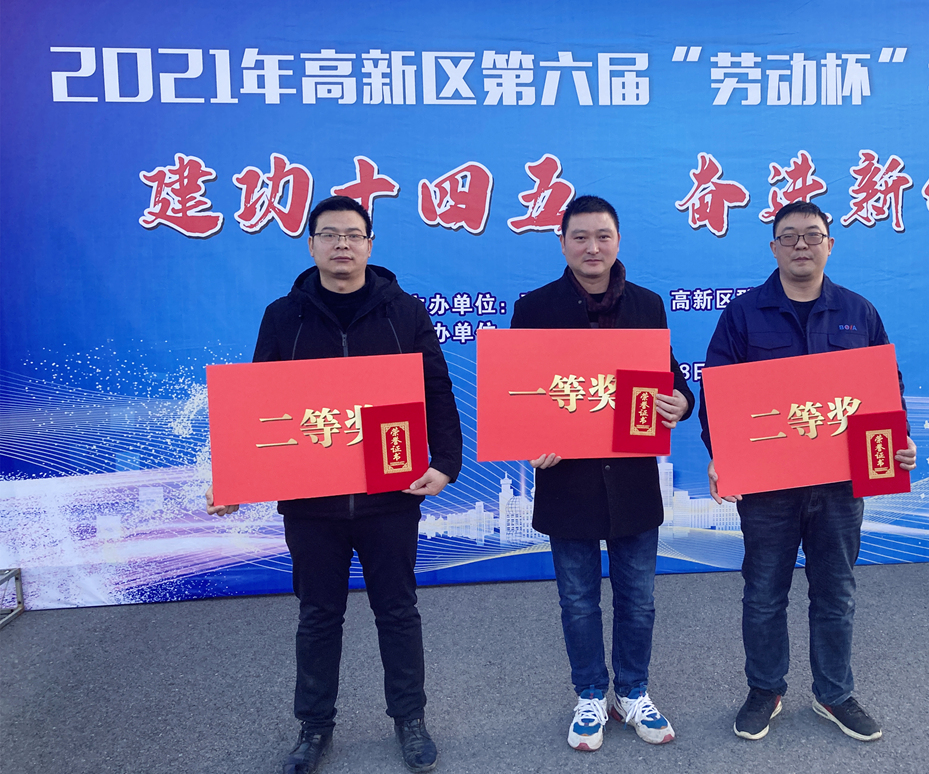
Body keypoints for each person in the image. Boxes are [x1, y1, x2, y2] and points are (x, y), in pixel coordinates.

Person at [205, 195, 462, 774]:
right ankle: (314, 727)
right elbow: (258, 405)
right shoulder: (283, 316)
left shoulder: (405, 313)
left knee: (398, 611)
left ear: (370, 245)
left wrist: (447, 462)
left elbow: (437, 389)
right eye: (329, 234)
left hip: (389, 496)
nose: (341, 244)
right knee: (318, 616)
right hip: (311, 501)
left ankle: (410, 719)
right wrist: (234, 477)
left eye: (352, 234)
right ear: (311, 244)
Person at [699, 200, 916, 744]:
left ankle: (834, 693)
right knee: (763, 594)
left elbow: (886, 387)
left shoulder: (859, 313)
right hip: (769, 486)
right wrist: (722, 453)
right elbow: (717, 393)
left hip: (839, 486)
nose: (801, 244)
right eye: (790, 236)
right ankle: (764, 689)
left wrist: (899, 440)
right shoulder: (743, 315)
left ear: (829, 245)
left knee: (836, 592)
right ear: (773, 247)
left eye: (812, 235)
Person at [510, 195, 694, 751]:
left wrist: (681, 402)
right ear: (562, 242)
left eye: (603, 236)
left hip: (632, 479)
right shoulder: (534, 309)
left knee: (639, 599)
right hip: (567, 481)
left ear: (618, 241)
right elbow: (518, 394)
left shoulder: (647, 305)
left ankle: (632, 691)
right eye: (581, 237)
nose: (593, 247)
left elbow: (670, 378)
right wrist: (529, 439)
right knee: (577, 600)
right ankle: (590, 693)